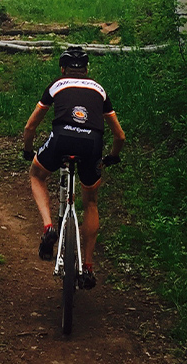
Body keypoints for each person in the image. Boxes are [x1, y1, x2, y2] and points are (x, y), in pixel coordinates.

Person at [20, 46, 125, 290]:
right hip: (92, 144)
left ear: (62, 69)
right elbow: (119, 135)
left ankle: (48, 227)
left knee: (36, 175)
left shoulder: (57, 85)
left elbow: (30, 126)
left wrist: (28, 150)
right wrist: (112, 157)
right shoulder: (99, 90)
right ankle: (87, 266)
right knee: (90, 202)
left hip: (61, 139)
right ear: (87, 70)